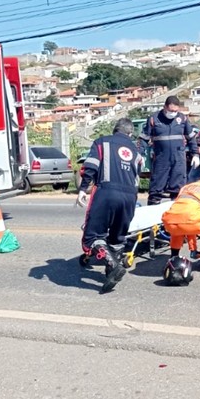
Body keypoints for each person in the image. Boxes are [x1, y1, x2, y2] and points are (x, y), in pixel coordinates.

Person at [77, 118, 141, 293]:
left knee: (92, 236)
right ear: (130, 134)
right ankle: (111, 270)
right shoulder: (136, 150)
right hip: (130, 196)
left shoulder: (102, 142)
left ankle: (112, 265)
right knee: (118, 236)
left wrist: (83, 189)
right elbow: (137, 175)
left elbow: (90, 166)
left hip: (107, 192)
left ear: (115, 130)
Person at [139, 95, 199, 205]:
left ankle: (176, 215)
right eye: (171, 110)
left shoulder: (183, 119)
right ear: (165, 107)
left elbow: (191, 137)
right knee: (156, 188)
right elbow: (144, 138)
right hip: (161, 159)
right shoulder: (154, 119)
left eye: (175, 111)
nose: (173, 113)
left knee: (178, 189)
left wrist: (195, 154)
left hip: (178, 159)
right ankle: (152, 214)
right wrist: (140, 154)